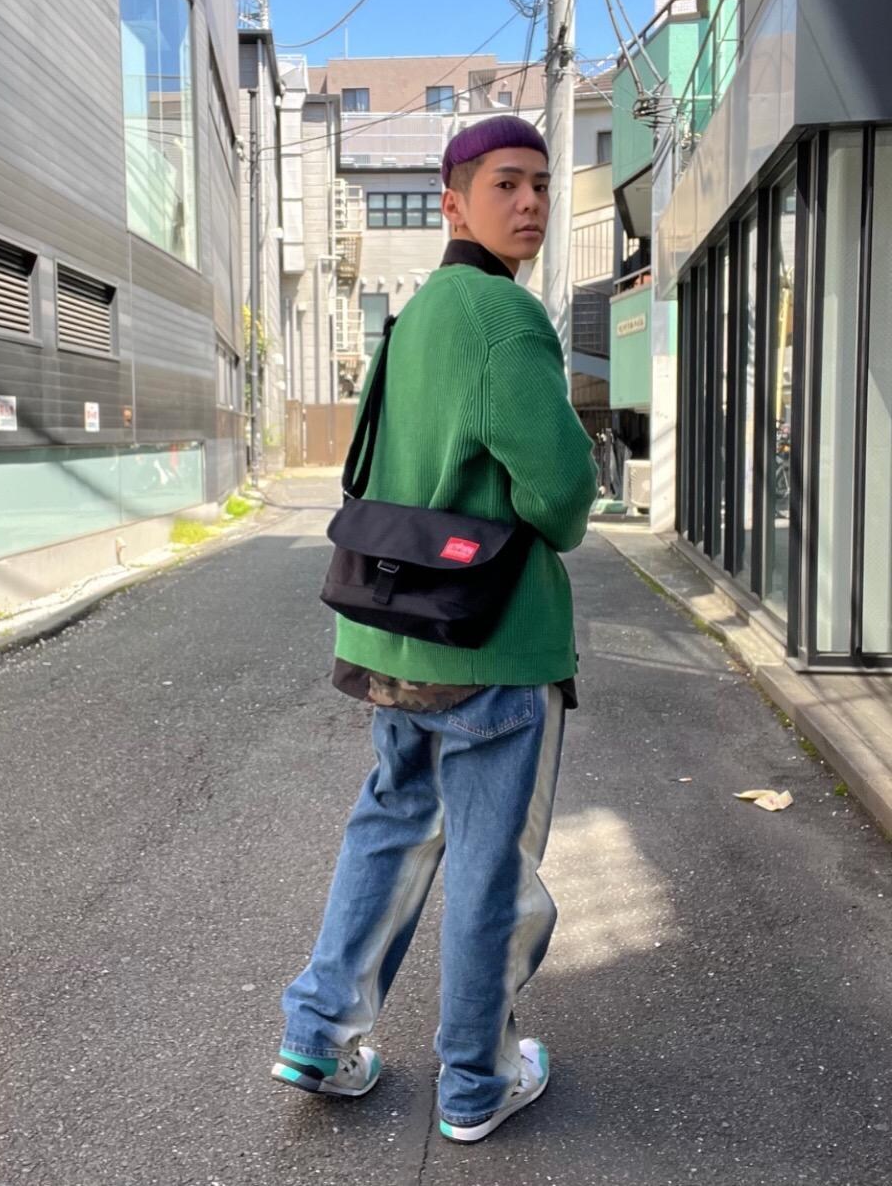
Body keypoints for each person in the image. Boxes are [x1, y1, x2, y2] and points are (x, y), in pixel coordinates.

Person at [272, 116, 598, 1144]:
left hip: (391, 634)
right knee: (491, 863)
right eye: (506, 184)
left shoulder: (411, 318)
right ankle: (476, 1078)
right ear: (453, 202)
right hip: (489, 637)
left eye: (541, 184)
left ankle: (319, 1032)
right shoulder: (505, 315)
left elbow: (371, 465)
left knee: (391, 825)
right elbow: (562, 499)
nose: (531, 201)